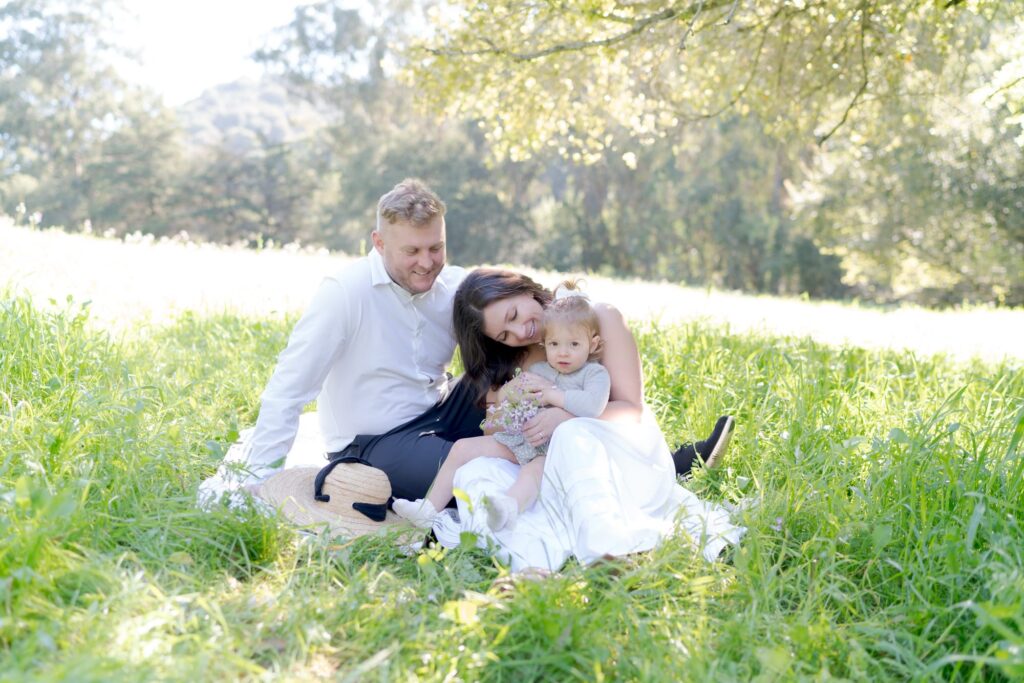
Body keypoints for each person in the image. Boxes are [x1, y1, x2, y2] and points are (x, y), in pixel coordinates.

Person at [199, 178, 731, 513]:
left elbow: (525, 311)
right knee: (483, 471)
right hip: (377, 439)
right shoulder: (345, 295)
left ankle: (647, 460)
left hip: (442, 410)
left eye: (437, 247)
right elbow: (288, 389)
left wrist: (582, 327)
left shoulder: (452, 286)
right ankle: (616, 480)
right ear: (379, 243)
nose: (426, 262)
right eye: (411, 251)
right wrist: (259, 479)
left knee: (523, 380)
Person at [427, 268, 744, 571]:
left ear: (523, 288)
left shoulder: (599, 317)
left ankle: (607, 548)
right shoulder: (518, 354)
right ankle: (526, 560)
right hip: (545, 460)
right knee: (478, 467)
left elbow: (631, 409)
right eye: (504, 334)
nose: (521, 331)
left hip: (614, 444)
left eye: (514, 315)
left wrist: (561, 417)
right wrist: (510, 403)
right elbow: (498, 428)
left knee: (572, 433)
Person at [391, 284, 611, 532]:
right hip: (524, 441)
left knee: (532, 473)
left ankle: (509, 507)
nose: (563, 352)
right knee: (463, 447)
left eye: (573, 344)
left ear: (592, 345)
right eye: (554, 344)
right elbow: (506, 415)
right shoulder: (538, 371)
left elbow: (593, 406)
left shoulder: (595, 374)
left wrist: (554, 396)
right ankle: (428, 509)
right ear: (544, 344)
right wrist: (511, 396)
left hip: (552, 451)